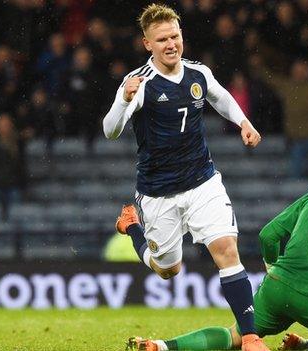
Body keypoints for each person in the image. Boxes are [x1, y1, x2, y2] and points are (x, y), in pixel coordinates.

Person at [102, 4, 267, 351]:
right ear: (148, 44)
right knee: (168, 270)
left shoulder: (198, 74)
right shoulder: (140, 83)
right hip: (158, 192)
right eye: (162, 39)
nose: (171, 44)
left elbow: (220, 97)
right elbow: (110, 131)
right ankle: (132, 227)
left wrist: (244, 123)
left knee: (226, 249)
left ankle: (250, 336)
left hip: (202, 181)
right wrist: (122, 98)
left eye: (174, 36)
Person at [128, 145, 308, 351]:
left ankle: (162, 346)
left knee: (236, 336)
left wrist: (273, 269)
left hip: (276, 287)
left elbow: (268, 234)